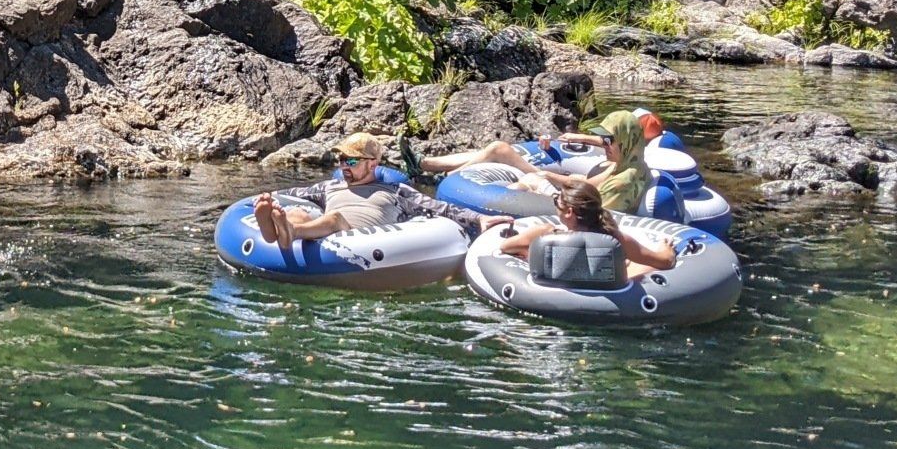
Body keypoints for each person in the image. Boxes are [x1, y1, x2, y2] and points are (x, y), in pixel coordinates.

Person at [251, 132, 510, 260]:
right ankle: (282, 229)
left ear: (373, 164)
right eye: (341, 160)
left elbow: (441, 208)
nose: (344, 166)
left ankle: (287, 233)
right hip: (318, 227)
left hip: (351, 233)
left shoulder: (395, 191)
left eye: (351, 160)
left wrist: (479, 219)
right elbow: (293, 194)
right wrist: (268, 198)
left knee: (334, 219)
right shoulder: (330, 187)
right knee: (295, 212)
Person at [416, 108, 652, 214]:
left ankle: (431, 174)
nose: (604, 144)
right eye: (604, 139)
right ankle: (426, 166)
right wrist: (550, 176)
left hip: (573, 209)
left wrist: (546, 181)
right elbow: (586, 183)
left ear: (627, 141)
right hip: (574, 196)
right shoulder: (625, 164)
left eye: (609, 140)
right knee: (511, 164)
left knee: (521, 177)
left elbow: (594, 215)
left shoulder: (624, 181)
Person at [497, 177, 677, 281]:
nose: (554, 206)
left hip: (556, 300)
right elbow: (664, 262)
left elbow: (506, 247)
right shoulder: (613, 239)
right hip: (608, 300)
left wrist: (530, 248)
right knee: (638, 264)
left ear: (569, 212)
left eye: (556, 202)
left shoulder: (546, 234)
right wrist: (666, 249)